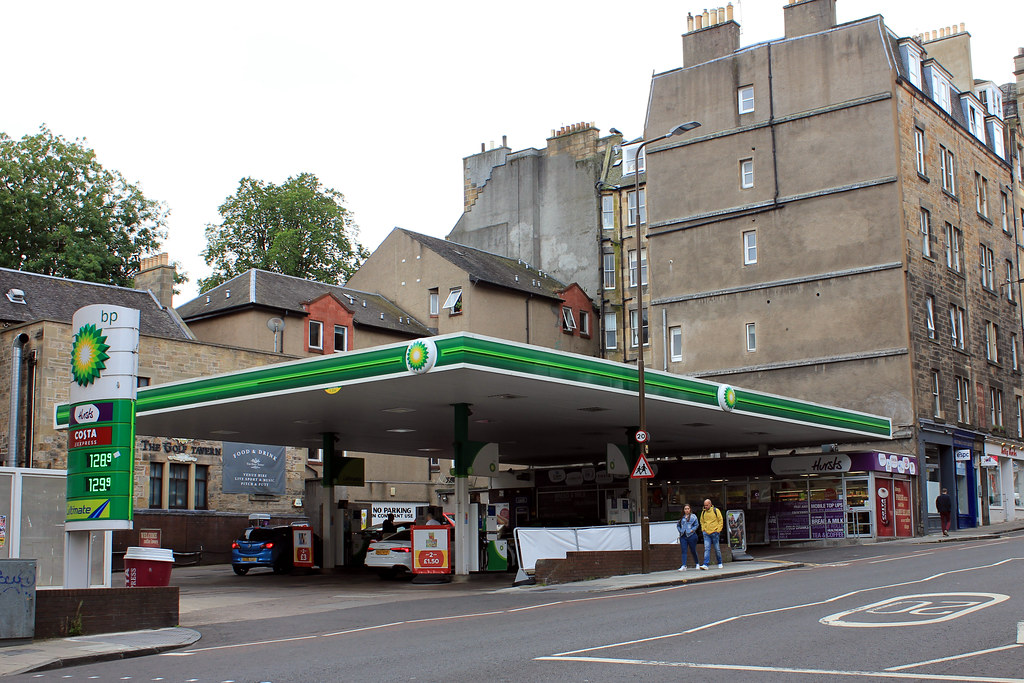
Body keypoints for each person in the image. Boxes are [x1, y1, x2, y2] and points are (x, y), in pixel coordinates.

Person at [698, 498, 724, 570]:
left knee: (717, 548)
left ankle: (720, 562)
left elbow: (720, 520)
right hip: (706, 533)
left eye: (706, 505)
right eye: (704, 505)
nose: (705, 507)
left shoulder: (716, 510)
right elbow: (702, 521)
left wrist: (718, 530)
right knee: (707, 548)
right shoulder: (703, 512)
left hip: (715, 532)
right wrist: (703, 529)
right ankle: (705, 564)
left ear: (710, 504)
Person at [676, 504, 700, 570]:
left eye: (688, 509)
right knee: (684, 550)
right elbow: (678, 525)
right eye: (685, 509)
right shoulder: (682, 517)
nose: (687, 510)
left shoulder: (693, 516)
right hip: (683, 536)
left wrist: (692, 530)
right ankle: (684, 565)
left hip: (691, 535)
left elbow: (696, 524)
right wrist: (680, 530)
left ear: (690, 509)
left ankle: (697, 563)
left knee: (693, 550)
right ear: (683, 510)